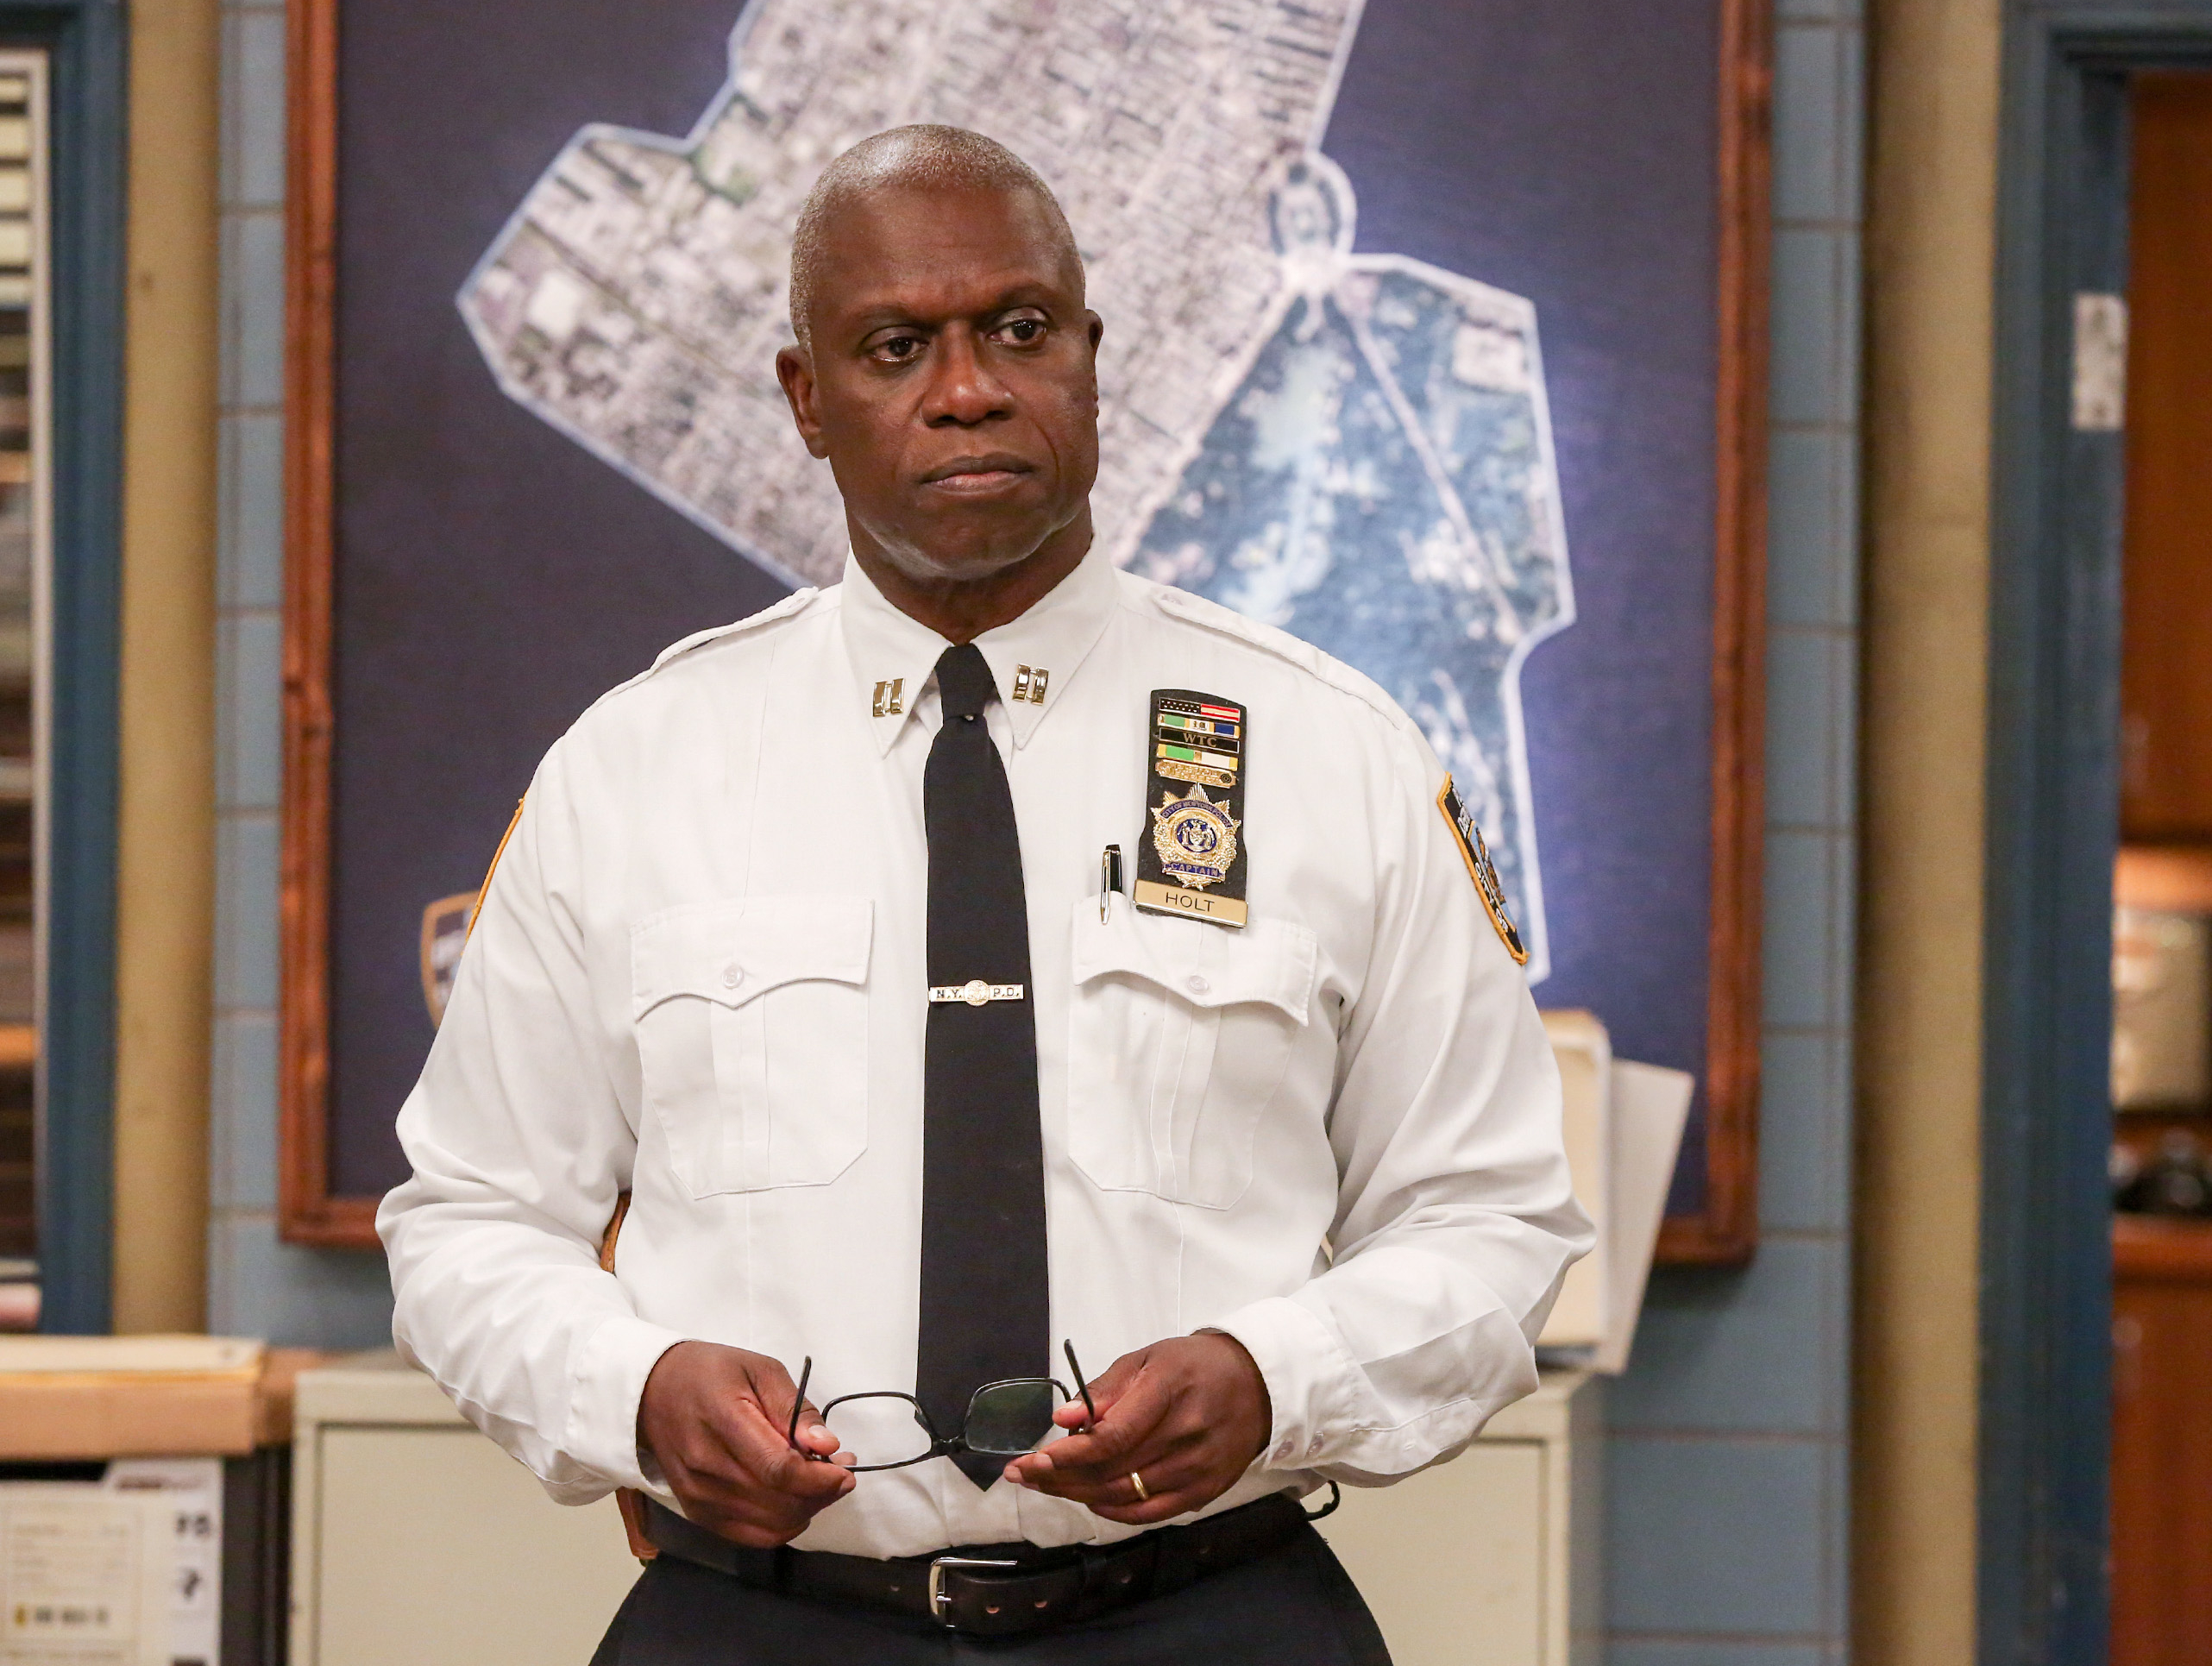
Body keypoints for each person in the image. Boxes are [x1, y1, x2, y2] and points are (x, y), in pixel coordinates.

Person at [378, 123, 1592, 1665]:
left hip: (1210, 1617)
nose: (967, 387)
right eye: (896, 346)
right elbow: (470, 1222)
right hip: (759, 1626)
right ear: (807, 401)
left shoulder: (1329, 754)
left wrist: (1277, 1373)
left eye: (1020, 329)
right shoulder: (633, 771)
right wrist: (634, 1390)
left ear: (1090, 357)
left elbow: (1488, 1219)